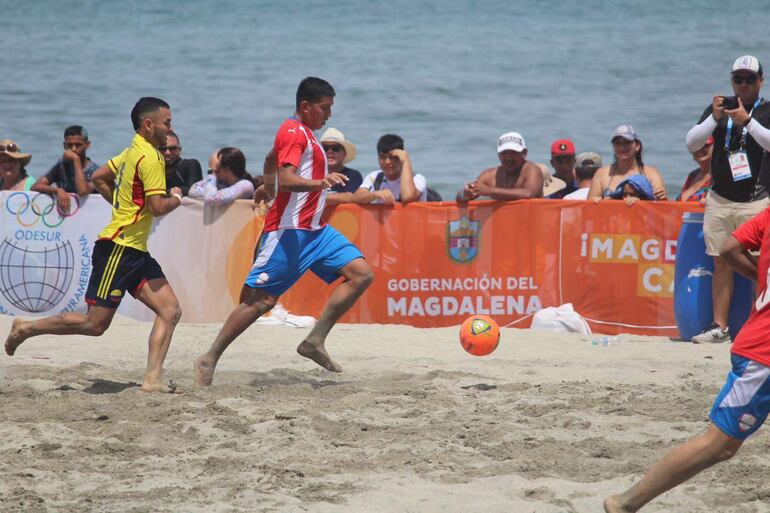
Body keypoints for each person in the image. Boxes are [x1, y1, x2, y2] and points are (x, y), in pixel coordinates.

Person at [194, 77, 373, 386]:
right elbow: (288, 177)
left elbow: (271, 159)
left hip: (316, 231)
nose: (329, 115)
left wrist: (267, 184)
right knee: (260, 302)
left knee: (361, 274)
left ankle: (314, 341)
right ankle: (209, 358)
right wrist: (313, 183)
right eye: (325, 108)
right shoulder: (292, 131)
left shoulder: (305, 133)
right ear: (306, 106)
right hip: (289, 231)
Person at [4, 97, 184, 394]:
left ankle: (152, 379)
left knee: (170, 310)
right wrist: (176, 196)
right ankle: (25, 328)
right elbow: (158, 206)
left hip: (136, 251)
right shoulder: (150, 157)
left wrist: (120, 203)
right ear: (149, 124)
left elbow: (99, 177)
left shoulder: (131, 152)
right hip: (119, 249)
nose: (170, 128)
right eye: (167, 122)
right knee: (94, 325)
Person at [603, 207, 770, 512]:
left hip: (757, 342)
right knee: (719, 446)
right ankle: (624, 503)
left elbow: (729, 248)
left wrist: (759, 275)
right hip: (763, 356)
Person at [685, 55, 770, 343]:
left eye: (749, 79)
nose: (743, 85)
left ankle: (757, 328)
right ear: (731, 81)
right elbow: (692, 143)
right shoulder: (718, 109)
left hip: (756, 200)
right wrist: (716, 118)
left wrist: (747, 121)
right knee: (721, 261)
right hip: (720, 198)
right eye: (738, 79)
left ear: (760, 81)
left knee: (759, 264)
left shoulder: (766, 110)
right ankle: (719, 327)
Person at [456, 131, 543, 202]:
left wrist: (490, 191)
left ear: (525, 153)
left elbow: (529, 193)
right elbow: (459, 198)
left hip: (532, 221)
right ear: (498, 154)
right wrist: (466, 194)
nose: (509, 158)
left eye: (514, 153)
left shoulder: (531, 170)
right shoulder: (489, 175)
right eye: (504, 153)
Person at [587, 125, 667, 201]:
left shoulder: (652, 174)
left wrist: (662, 199)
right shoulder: (602, 174)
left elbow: (663, 210)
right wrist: (598, 203)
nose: (622, 147)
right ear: (613, 146)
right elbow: (588, 210)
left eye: (627, 142)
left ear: (637, 146)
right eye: (618, 143)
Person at [31, 125, 98, 212]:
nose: (73, 149)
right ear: (64, 146)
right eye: (70, 145)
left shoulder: (96, 172)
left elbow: (82, 191)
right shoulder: (61, 167)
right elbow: (36, 186)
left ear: (87, 145)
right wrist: (57, 190)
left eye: (78, 145)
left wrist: (76, 160)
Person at [354, 134, 427, 204]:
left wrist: (406, 162)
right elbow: (356, 198)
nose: (387, 162)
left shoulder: (418, 179)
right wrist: (375, 194)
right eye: (383, 157)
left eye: (392, 157)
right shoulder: (375, 177)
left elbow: (407, 197)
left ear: (400, 157)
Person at [188, 147, 255, 205]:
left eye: (217, 168)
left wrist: (211, 173)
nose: (216, 172)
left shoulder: (246, 186)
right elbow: (193, 191)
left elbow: (210, 199)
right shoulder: (221, 183)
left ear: (227, 168)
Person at [320, 127, 363, 205]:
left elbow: (350, 197)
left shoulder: (353, 175)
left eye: (335, 148)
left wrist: (316, 197)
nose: (330, 152)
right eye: (325, 148)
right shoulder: (311, 173)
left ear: (344, 154)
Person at [161, 130, 202, 196]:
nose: (168, 152)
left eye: (172, 148)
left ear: (179, 150)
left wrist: (167, 192)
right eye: (163, 148)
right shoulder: (153, 170)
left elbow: (195, 191)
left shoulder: (189, 165)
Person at [677, 136, 714, 204]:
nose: (699, 149)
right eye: (695, 146)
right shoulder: (693, 175)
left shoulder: (722, 176)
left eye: (705, 145)